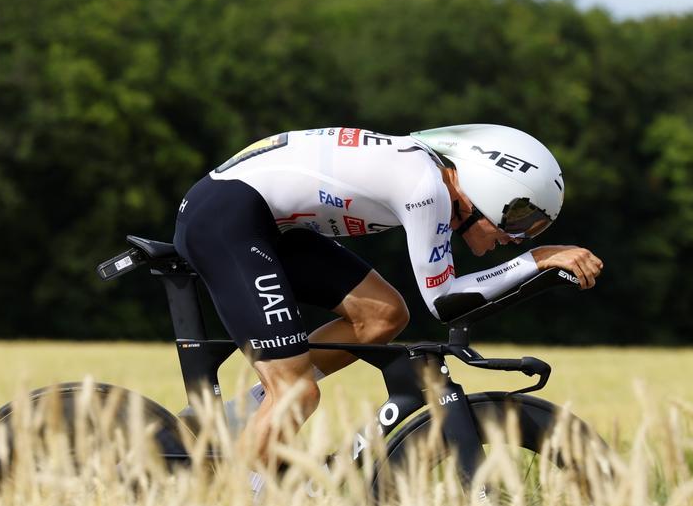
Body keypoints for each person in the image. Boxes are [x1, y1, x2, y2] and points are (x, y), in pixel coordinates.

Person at [172, 124, 603, 464]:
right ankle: (241, 501)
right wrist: (537, 260)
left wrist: (535, 262)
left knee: (382, 317)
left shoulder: (427, 175)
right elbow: (445, 302)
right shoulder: (426, 187)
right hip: (227, 216)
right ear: (489, 186)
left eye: (534, 230)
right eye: (521, 219)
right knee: (296, 393)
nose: (518, 237)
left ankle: (244, 416)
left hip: (264, 220)